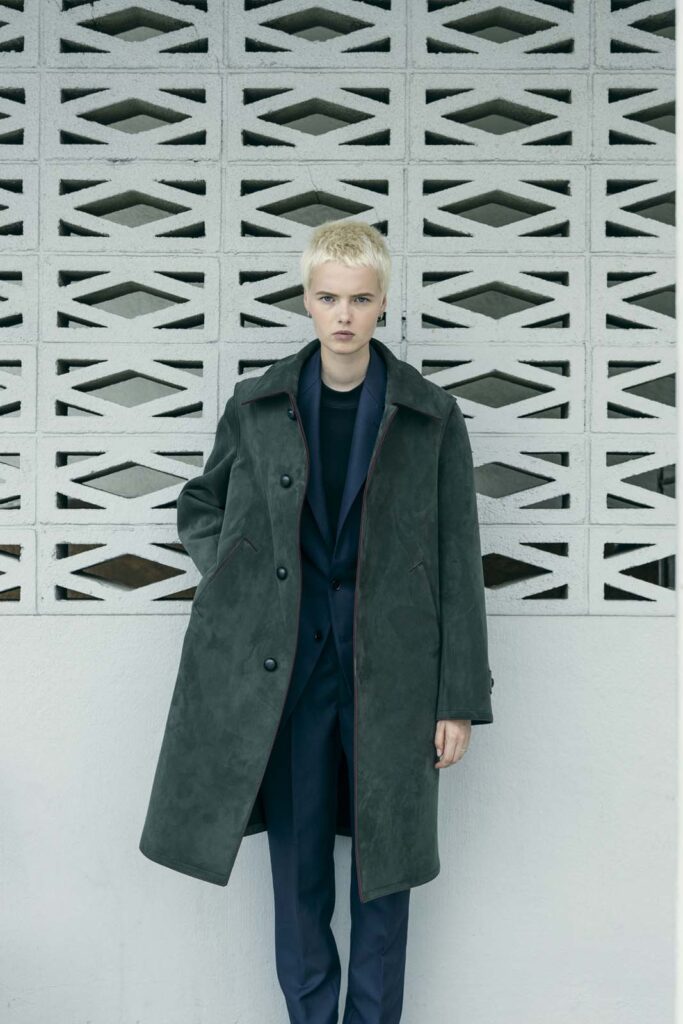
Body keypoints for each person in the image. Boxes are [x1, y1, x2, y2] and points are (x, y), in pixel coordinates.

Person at [139, 219, 494, 1024]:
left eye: (359, 300)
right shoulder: (258, 406)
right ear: (306, 300)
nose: (343, 315)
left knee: (385, 875)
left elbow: (457, 559)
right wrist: (238, 574)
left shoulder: (430, 416)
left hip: (394, 680)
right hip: (289, 677)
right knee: (297, 874)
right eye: (329, 298)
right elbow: (202, 505)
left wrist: (457, 699)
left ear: (382, 303)